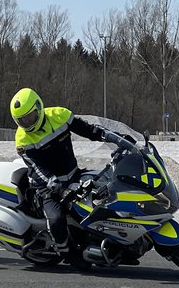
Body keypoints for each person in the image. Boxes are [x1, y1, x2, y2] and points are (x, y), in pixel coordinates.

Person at [10, 87, 121, 258]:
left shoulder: (59, 115)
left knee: (107, 187)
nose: (28, 123)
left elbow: (88, 130)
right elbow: (39, 170)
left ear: (38, 107)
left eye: (30, 117)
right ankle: (66, 251)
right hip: (46, 188)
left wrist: (116, 138)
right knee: (56, 218)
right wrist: (59, 189)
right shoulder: (23, 139)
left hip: (74, 174)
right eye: (22, 121)